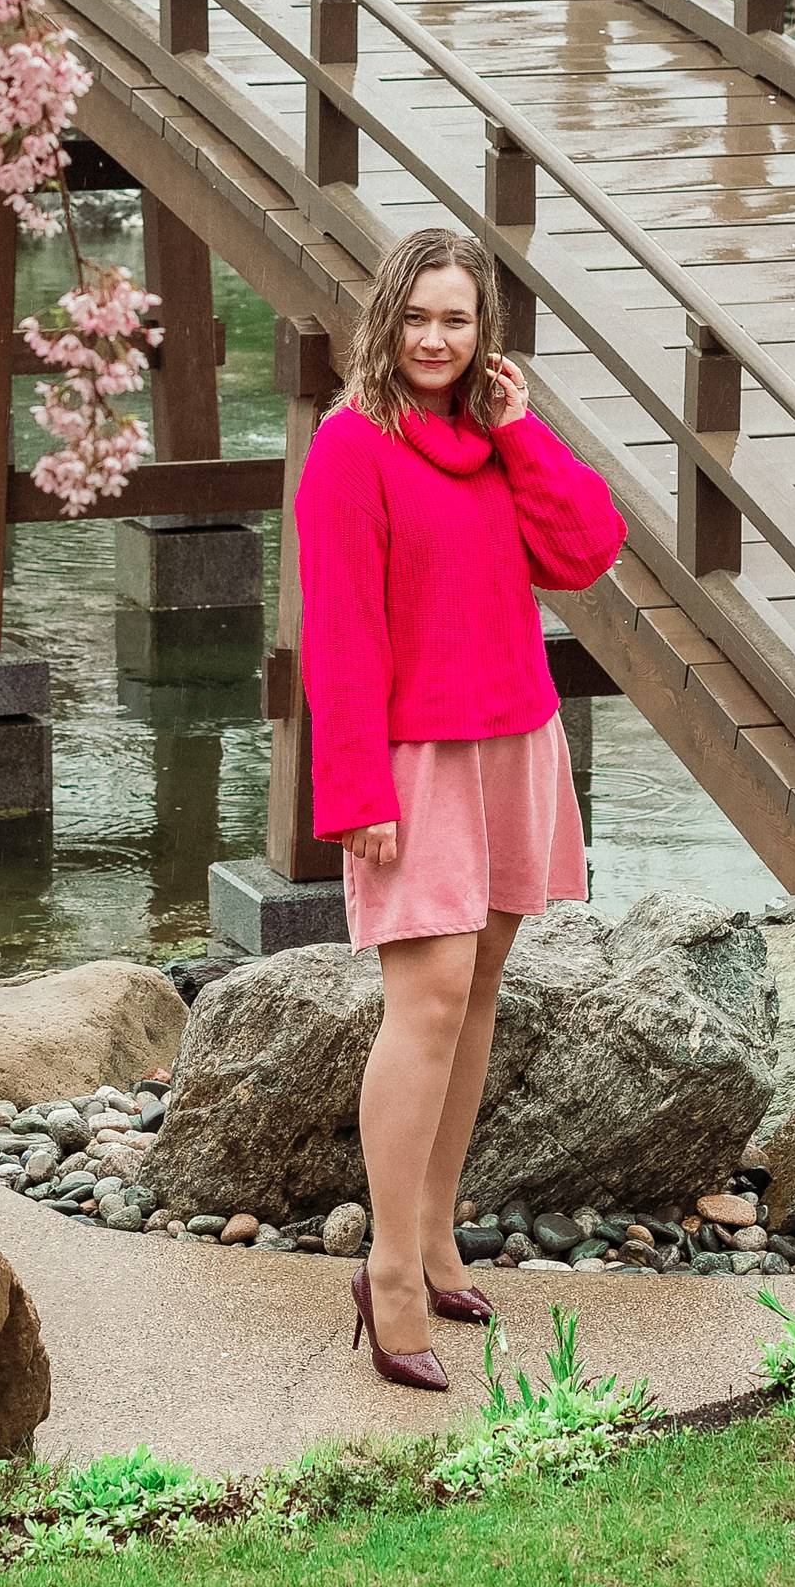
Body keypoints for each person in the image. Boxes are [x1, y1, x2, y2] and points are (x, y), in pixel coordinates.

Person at [295, 225, 626, 1390]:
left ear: (484, 331)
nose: (433, 338)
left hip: (513, 738)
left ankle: (436, 1236)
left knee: (477, 988)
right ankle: (387, 1271)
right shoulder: (350, 446)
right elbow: (338, 630)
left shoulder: (489, 440)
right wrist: (355, 790)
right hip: (414, 756)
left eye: (456, 318)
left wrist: (520, 426)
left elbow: (585, 548)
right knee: (426, 999)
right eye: (416, 316)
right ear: (384, 318)